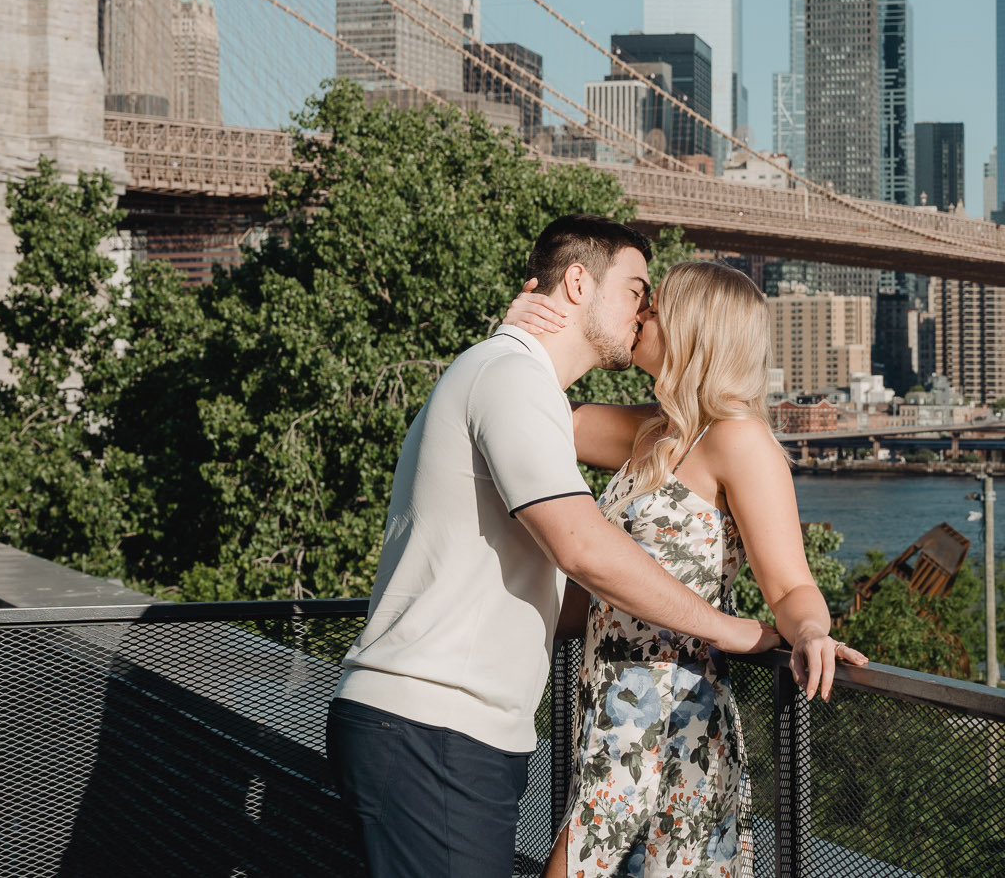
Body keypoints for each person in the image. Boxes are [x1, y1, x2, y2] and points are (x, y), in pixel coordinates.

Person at [327, 216, 780, 878]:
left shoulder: (514, 379)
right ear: (577, 282)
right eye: (636, 290)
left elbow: (574, 592)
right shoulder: (509, 376)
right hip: (433, 727)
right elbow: (583, 548)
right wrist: (731, 630)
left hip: (451, 730)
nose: (645, 309)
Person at [506, 261, 866, 878]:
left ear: (695, 328)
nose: (639, 312)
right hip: (606, 706)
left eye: (655, 304)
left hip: (671, 716)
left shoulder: (738, 439)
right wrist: (520, 334)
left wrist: (808, 632)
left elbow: (790, 584)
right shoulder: (651, 431)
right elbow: (527, 414)